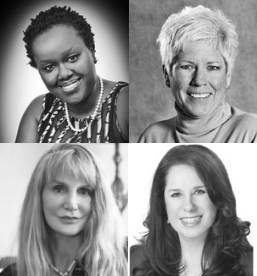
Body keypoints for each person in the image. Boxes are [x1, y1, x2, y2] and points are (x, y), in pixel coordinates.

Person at [0, 144, 127, 276]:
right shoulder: (12, 273)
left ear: (99, 200)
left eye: (84, 191)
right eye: (59, 189)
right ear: (39, 196)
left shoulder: (125, 258)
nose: (71, 204)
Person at [138, 5, 257, 143]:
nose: (199, 80)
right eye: (187, 66)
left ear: (228, 75)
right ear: (166, 74)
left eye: (212, 67)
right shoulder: (152, 138)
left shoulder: (251, 133)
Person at [130, 145, 253, 276]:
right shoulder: (135, 261)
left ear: (219, 198)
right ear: (163, 205)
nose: (189, 206)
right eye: (176, 194)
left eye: (199, 191)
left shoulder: (251, 265)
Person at [15, 6, 128, 143]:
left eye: (72, 58)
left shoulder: (123, 101)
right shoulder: (40, 110)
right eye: (49, 67)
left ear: (91, 51)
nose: (64, 74)